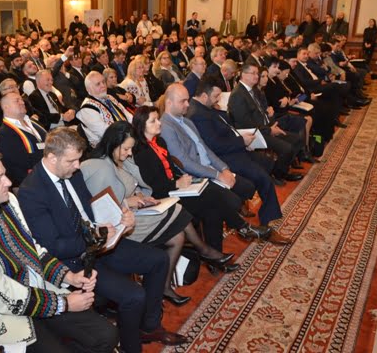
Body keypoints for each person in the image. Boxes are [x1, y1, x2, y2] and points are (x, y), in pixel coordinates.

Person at [18, 127, 187, 353]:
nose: (77, 166)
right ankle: (131, 347)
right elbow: (53, 247)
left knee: (158, 260)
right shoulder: (32, 191)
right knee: (134, 295)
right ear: (51, 157)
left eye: (79, 159)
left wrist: (120, 216)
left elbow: (90, 209)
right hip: (74, 260)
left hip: (97, 245)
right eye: (72, 161)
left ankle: (149, 326)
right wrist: (95, 238)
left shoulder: (71, 173)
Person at [0, 151, 119, 352]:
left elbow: (32, 248)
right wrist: (63, 303)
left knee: (107, 335)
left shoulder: (8, 202)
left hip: (37, 291)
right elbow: (3, 296)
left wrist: (69, 277)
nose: (9, 182)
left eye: (5, 174)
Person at [81, 122, 237, 300]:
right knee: (178, 210)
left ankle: (165, 286)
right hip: (122, 225)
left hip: (134, 212)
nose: (129, 153)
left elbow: (133, 184)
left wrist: (140, 196)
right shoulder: (99, 168)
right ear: (113, 144)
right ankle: (204, 250)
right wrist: (128, 202)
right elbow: (101, 207)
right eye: (126, 149)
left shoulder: (121, 160)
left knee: (177, 237)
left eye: (130, 148)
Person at [131, 106, 272, 252]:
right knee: (212, 197)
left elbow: (171, 170)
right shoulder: (140, 152)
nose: (159, 123)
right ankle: (243, 228)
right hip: (163, 197)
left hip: (175, 189)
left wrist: (182, 178)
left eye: (158, 119)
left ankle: (217, 254)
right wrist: (176, 184)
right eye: (153, 121)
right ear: (142, 126)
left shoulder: (159, 142)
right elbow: (152, 186)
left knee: (213, 208)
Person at [187, 77, 285, 226]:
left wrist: (241, 140)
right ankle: (268, 219)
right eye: (215, 96)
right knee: (263, 178)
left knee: (267, 163)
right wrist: (241, 142)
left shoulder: (205, 107)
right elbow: (214, 145)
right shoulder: (197, 114)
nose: (218, 99)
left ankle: (253, 204)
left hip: (233, 149)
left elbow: (225, 128)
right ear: (204, 96)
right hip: (225, 157)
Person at [228, 63, 305, 181]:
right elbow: (245, 123)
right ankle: (278, 173)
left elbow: (263, 112)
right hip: (253, 134)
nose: (256, 76)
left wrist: (271, 125)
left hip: (264, 127)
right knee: (287, 148)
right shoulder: (238, 94)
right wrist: (269, 130)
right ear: (243, 75)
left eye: (257, 73)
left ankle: (280, 169)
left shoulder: (253, 90)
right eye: (253, 73)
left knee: (297, 140)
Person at [0, 91, 48, 187]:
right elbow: (16, 167)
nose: (22, 102)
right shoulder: (5, 134)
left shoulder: (34, 123)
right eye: (17, 101)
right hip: (32, 182)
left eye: (22, 100)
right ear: (6, 107)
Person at [77, 71, 133, 147]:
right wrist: (128, 135)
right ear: (88, 89)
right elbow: (105, 132)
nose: (103, 85)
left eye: (103, 82)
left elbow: (127, 115)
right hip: (106, 146)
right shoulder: (87, 109)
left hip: (125, 136)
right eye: (98, 84)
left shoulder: (109, 97)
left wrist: (135, 127)